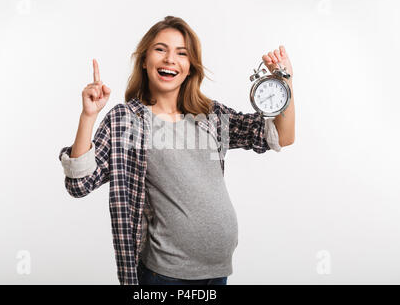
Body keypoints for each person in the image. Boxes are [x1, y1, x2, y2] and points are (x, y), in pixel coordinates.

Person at [58, 15, 295, 285]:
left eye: (181, 53)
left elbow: (281, 137)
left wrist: (285, 82)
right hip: (165, 275)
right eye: (161, 49)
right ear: (145, 60)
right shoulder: (127, 120)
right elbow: (79, 184)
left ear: (190, 67)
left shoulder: (211, 116)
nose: (171, 59)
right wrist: (88, 116)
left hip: (217, 271)